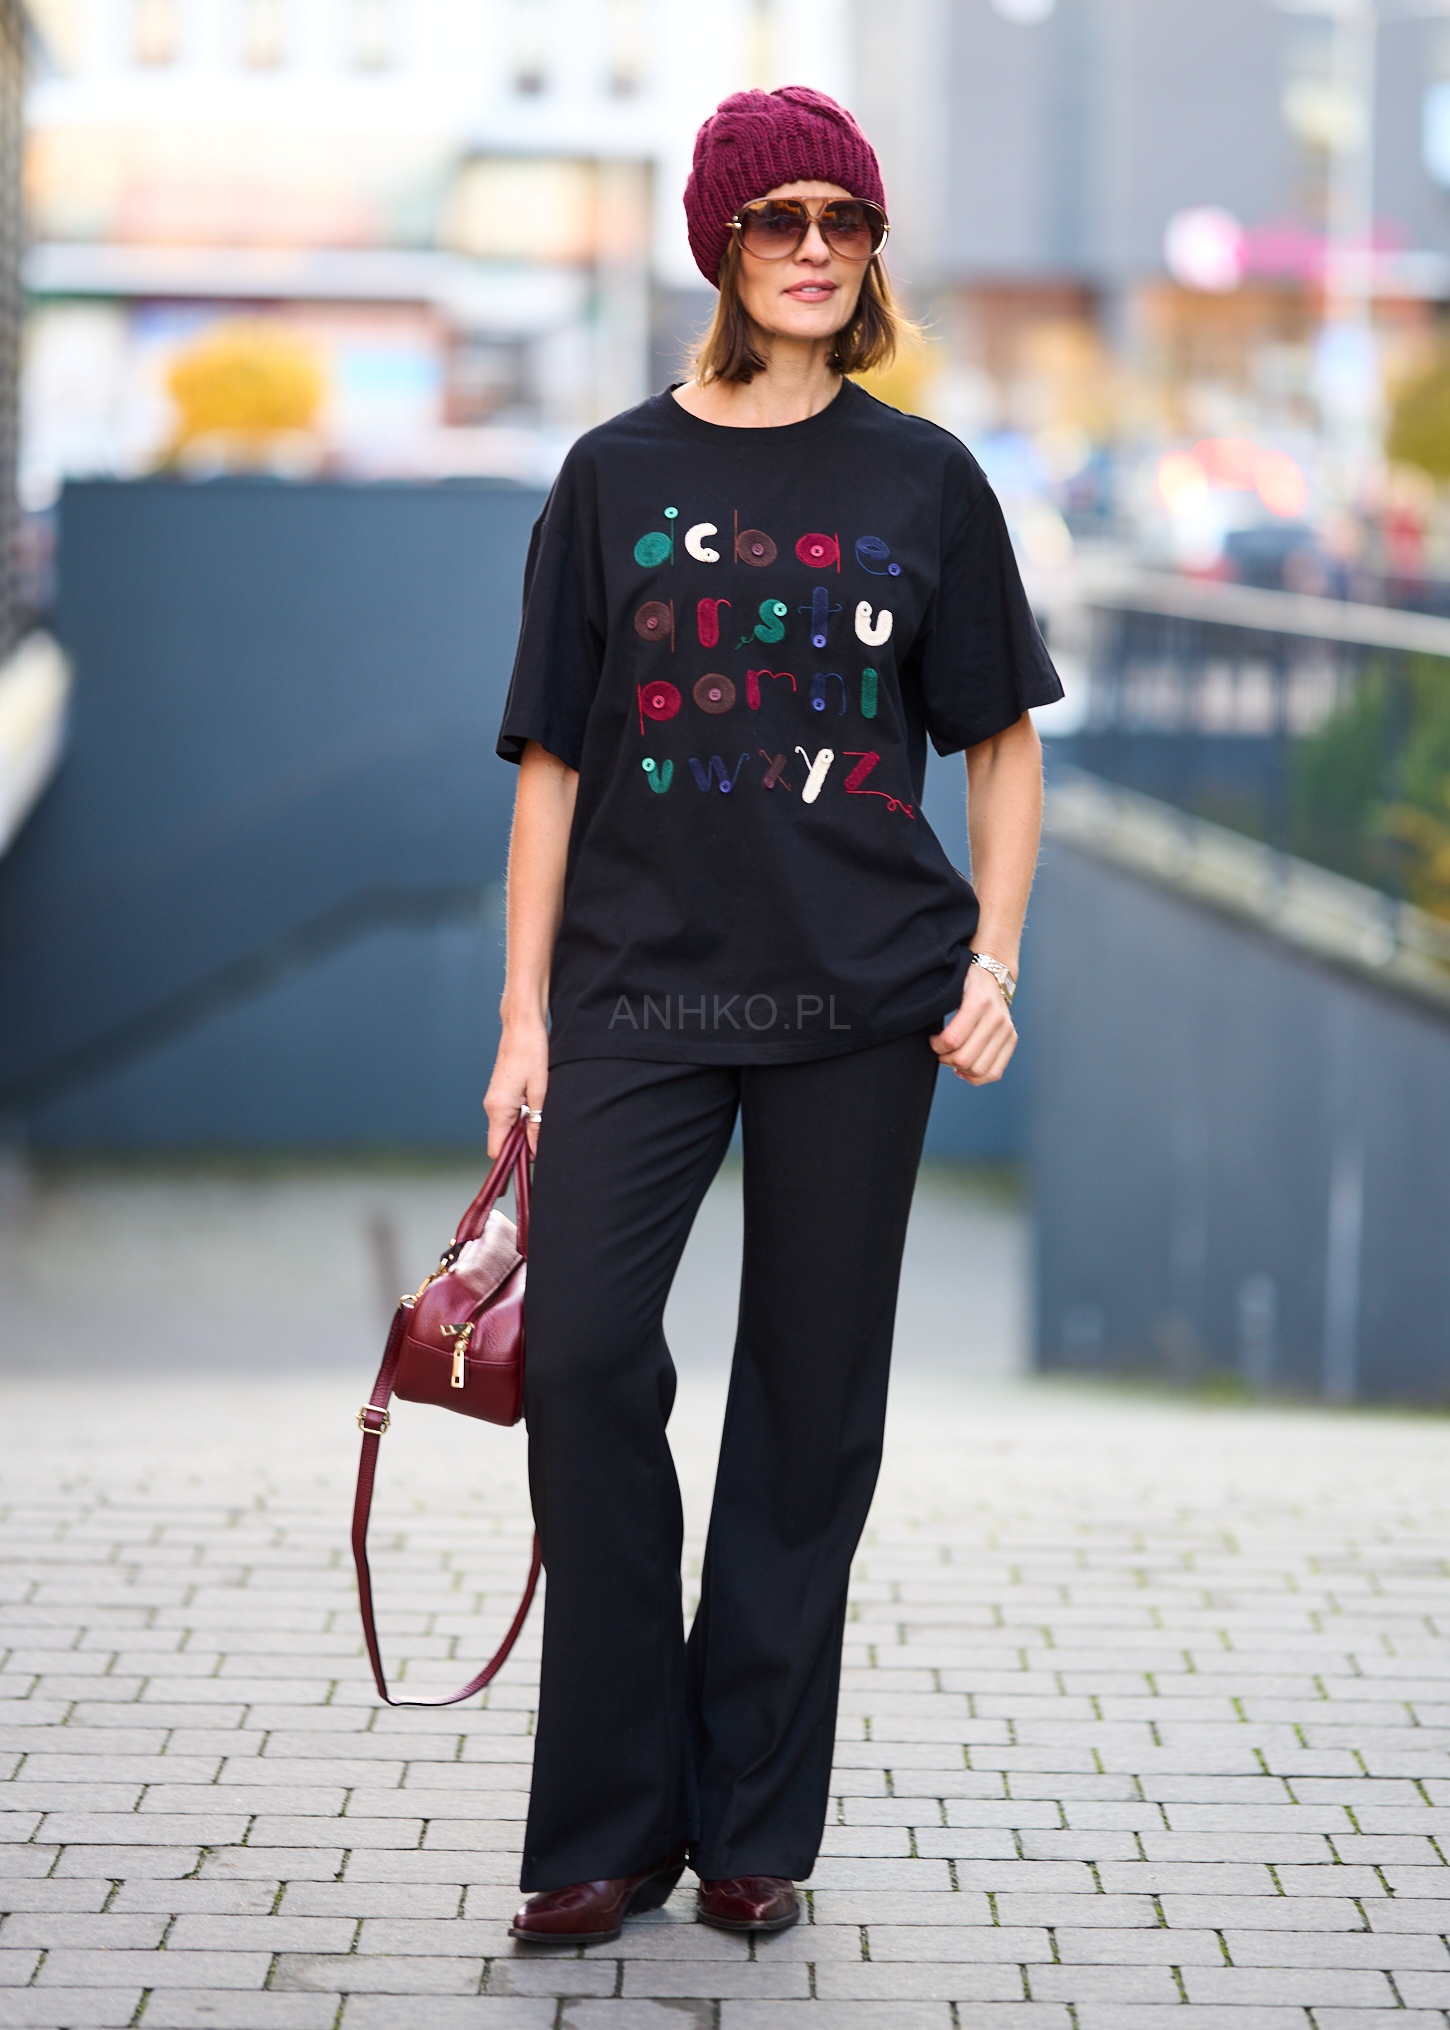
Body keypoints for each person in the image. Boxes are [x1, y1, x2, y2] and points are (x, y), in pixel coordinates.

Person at [486, 84, 1061, 1947]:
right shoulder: (609, 477)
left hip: (862, 997)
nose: (813, 248)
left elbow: (999, 745)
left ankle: (747, 1818)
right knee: (581, 1358)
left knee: (808, 1412)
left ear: (871, 249)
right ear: (720, 246)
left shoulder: (926, 480)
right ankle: (608, 1815)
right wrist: (522, 1017)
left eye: (843, 219)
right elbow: (552, 764)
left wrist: (992, 961)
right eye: (776, 219)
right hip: (634, 991)